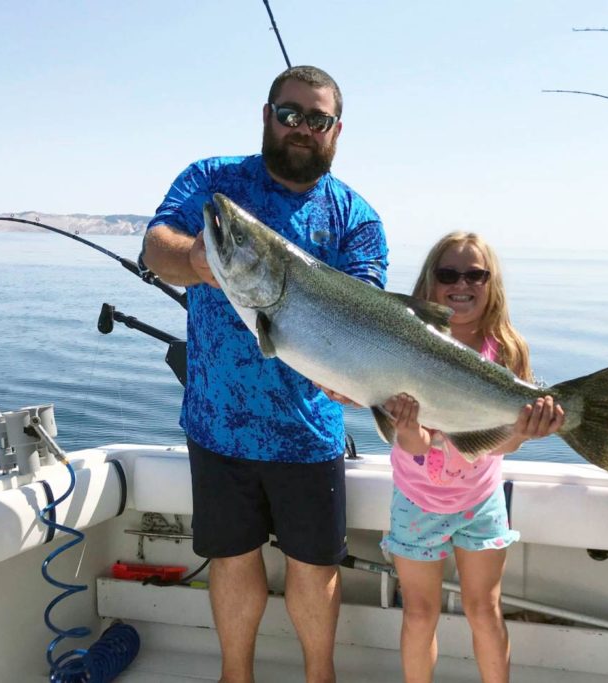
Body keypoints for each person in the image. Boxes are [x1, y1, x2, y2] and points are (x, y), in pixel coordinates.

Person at [140, 65, 388, 683]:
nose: (303, 127)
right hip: (217, 427)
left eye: (318, 119)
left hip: (309, 431)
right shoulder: (213, 184)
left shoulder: (356, 217)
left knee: (315, 567)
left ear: (336, 131)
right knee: (231, 559)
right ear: (266, 114)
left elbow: (366, 313)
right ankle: (235, 677)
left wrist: (360, 381)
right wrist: (199, 258)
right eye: (291, 113)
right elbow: (155, 247)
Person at [381, 232, 563, 683]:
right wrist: (407, 428)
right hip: (417, 499)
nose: (461, 284)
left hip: (480, 502)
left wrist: (521, 435)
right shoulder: (407, 342)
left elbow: (499, 444)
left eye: (475, 274)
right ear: (430, 281)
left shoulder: (507, 349)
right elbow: (418, 445)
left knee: (485, 609)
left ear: (490, 283)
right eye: (448, 274)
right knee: (420, 615)